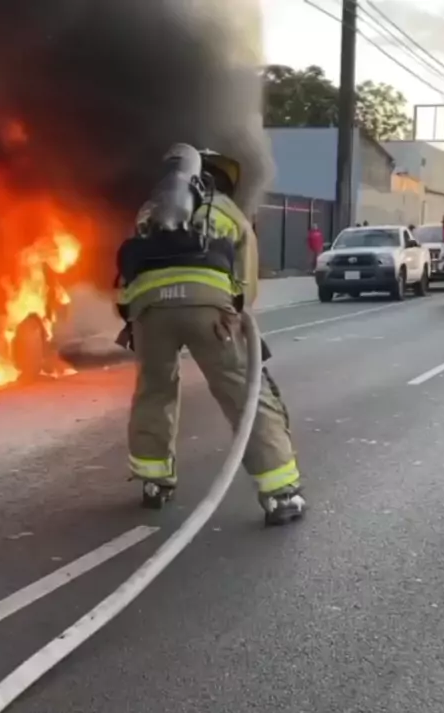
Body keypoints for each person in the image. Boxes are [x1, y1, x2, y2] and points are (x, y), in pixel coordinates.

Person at [114, 147, 306, 526]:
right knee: (242, 392)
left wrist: (135, 319)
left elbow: (129, 266)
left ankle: (154, 482)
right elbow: (246, 277)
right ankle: (280, 493)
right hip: (209, 308)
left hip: (149, 309)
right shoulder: (228, 210)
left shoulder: (151, 209)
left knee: (154, 390)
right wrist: (236, 315)